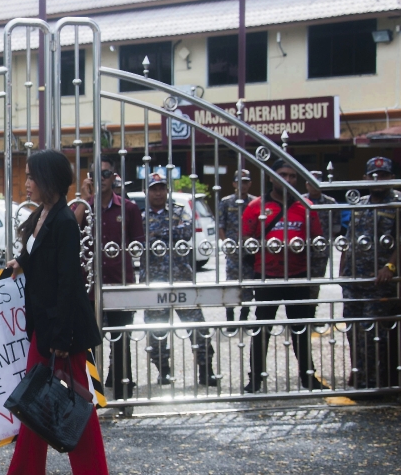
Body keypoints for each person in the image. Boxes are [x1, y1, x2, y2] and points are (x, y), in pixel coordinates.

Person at [0, 150, 108, 475]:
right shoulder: (43, 215)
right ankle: (24, 472)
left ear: (49, 181)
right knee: (35, 398)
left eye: (31, 177)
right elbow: (40, 254)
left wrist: (60, 337)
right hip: (43, 326)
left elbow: (67, 282)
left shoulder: (64, 221)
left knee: (75, 403)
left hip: (62, 330)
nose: (26, 183)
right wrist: (22, 261)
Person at [241, 159, 326, 393]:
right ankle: (255, 379)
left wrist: (313, 280)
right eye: (282, 175)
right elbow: (245, 244)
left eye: (292, 176)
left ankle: (308, 377)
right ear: (271, 176)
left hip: (298, 277)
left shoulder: (306, 207)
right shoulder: (255, 207)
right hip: (267, 277)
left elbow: (318, 244)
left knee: (300, 329)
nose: (287, 180)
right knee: (262, 330)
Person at [74, 157, 145, 399]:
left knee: (121, 340)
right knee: (90, 344)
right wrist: (85, 199)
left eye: (105, 174)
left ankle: (124, 392)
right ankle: (93, 395)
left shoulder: (129, 209)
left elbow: (138, 245)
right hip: (89, 287)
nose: (100, 179)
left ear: (114, 177)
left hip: (119, 284)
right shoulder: (83, 207)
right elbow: (71, 229)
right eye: (95, 174)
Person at [139, 173, 217, 387]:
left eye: (161, 188)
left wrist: (157, 233)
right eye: (154, 189)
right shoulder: (141, 216)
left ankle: (206, 371)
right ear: (147, 192)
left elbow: (186, 232)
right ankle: (163, 371)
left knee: (198, 328)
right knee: (157, 332)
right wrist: (168, 233)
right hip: (154, 283)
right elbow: (139, 236)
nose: (158, 193)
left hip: (181, 279)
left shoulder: (179, 211)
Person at [339, 157, 400, 388]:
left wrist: (390, 266)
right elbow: (348, 238)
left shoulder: (397, 203)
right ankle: (359, 375)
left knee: (375, 335)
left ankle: (376, 384)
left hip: (380, 282)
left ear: (391, 177)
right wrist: (343, 269)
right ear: (365, 178)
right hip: (354, 281)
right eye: (373, 175)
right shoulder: (359, 203)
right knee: (353, 331)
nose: (378, 179)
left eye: (383, 175)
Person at [216, 169, 258, 323]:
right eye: (240, 182)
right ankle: (230, 318)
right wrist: (226, 243)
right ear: (234, 183)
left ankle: (244, 318)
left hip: (250, 252)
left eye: (246, 182)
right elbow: (220, 225)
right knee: (232, 284)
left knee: (248, 285)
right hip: (233, 251)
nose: (243, 185)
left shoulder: (255, 202)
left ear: (250, 184)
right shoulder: (226, 202)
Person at [304, 170, 340, 298]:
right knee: (300, 283)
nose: (314, 186)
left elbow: (336, 226)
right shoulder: (300, 201)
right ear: (306, 184)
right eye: (311, 183)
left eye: (317, 183)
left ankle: (312, 310)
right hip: (300, 250)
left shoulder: (330, 203)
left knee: (315, 283)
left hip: (321, 251)